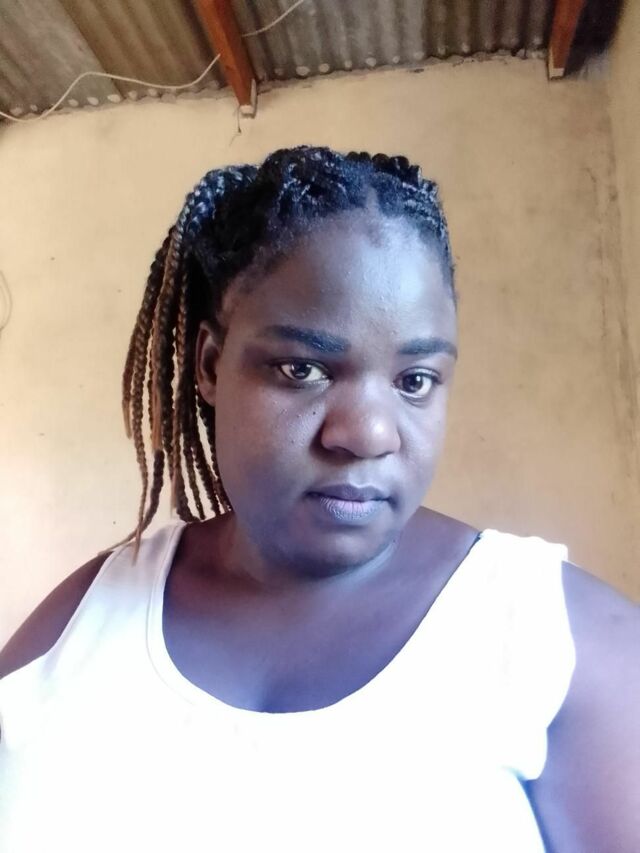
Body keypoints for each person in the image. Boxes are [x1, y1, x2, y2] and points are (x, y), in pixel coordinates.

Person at [0, 146, 638, 852]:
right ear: (210, 365)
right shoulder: (83, 620)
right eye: (301, 369)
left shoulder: (566, 641)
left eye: (415, 380)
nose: (368, 434)